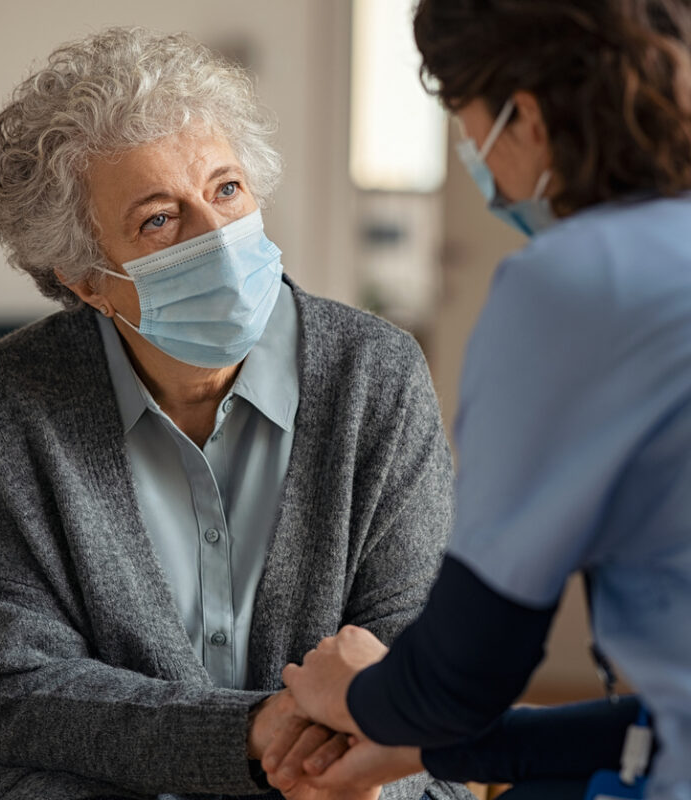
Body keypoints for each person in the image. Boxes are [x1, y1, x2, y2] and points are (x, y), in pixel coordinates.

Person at [0, 27, 472, 800]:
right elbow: (13, 680)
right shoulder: (6, 402)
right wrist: (244, 736)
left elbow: (416, 641)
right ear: (85, 280)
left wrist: (322, 762)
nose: (218, 236)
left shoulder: (377, 375)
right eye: (158, 220)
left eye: (226, 189)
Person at [272, 1, 691, 799]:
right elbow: (660, 724)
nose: (477, 160)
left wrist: (352, 692)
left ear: (525, 116)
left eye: (469, 128)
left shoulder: (574, 285)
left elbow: (461, 677)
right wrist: (430, 750)